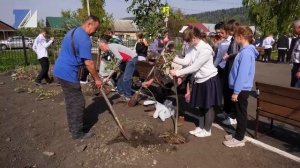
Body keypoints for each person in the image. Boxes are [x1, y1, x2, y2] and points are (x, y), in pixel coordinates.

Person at [53, 15, 102, 140]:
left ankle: (74, 125)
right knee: (77, 102)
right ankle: (77, 133)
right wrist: (97, 78)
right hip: (68, 73)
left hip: (60, 69)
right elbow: (89, 63)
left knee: (71, 101)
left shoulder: (73, 31)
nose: (95, 31)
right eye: (95, 28)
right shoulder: (84, 39)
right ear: (89, 24)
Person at [170, 26, 222, 138]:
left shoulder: (205, 49)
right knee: (201, 105)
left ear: (194, 38)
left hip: (209, 79)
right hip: (199, 79)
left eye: (188, 41)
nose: (187, 43)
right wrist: (173, 58)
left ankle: (207, 130)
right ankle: (201, 127)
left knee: (208, 106)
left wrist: (178, 73)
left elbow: (194, 67)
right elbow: (187, 61)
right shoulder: (191, 46)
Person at [223, 26, 258, 147]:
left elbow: (242, 74)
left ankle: (239, 138)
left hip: (241, 89)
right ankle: (238, 133)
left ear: (240, 37)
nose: (234, 38)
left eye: (235, 36)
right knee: (239, 113)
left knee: (240, 114)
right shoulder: (244, 51)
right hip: (240, 89)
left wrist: (236, 91)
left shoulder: (247, 53)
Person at [217, 20, 240, 125]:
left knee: (232, 93)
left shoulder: (236, 40)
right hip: (227, 67)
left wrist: (229, 56)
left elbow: (237, 53)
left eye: (230, 30)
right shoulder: (232, 40)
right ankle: (226, 111)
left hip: (232, 67)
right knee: (226, 91)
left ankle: (233, 116)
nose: (229, 32)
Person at [290, 20, 300, 88]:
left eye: (294, 27)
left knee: (296, 91)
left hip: (298, 67)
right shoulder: (297, 39)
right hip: (295, 66)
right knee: (293, 87)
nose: (293, 29)